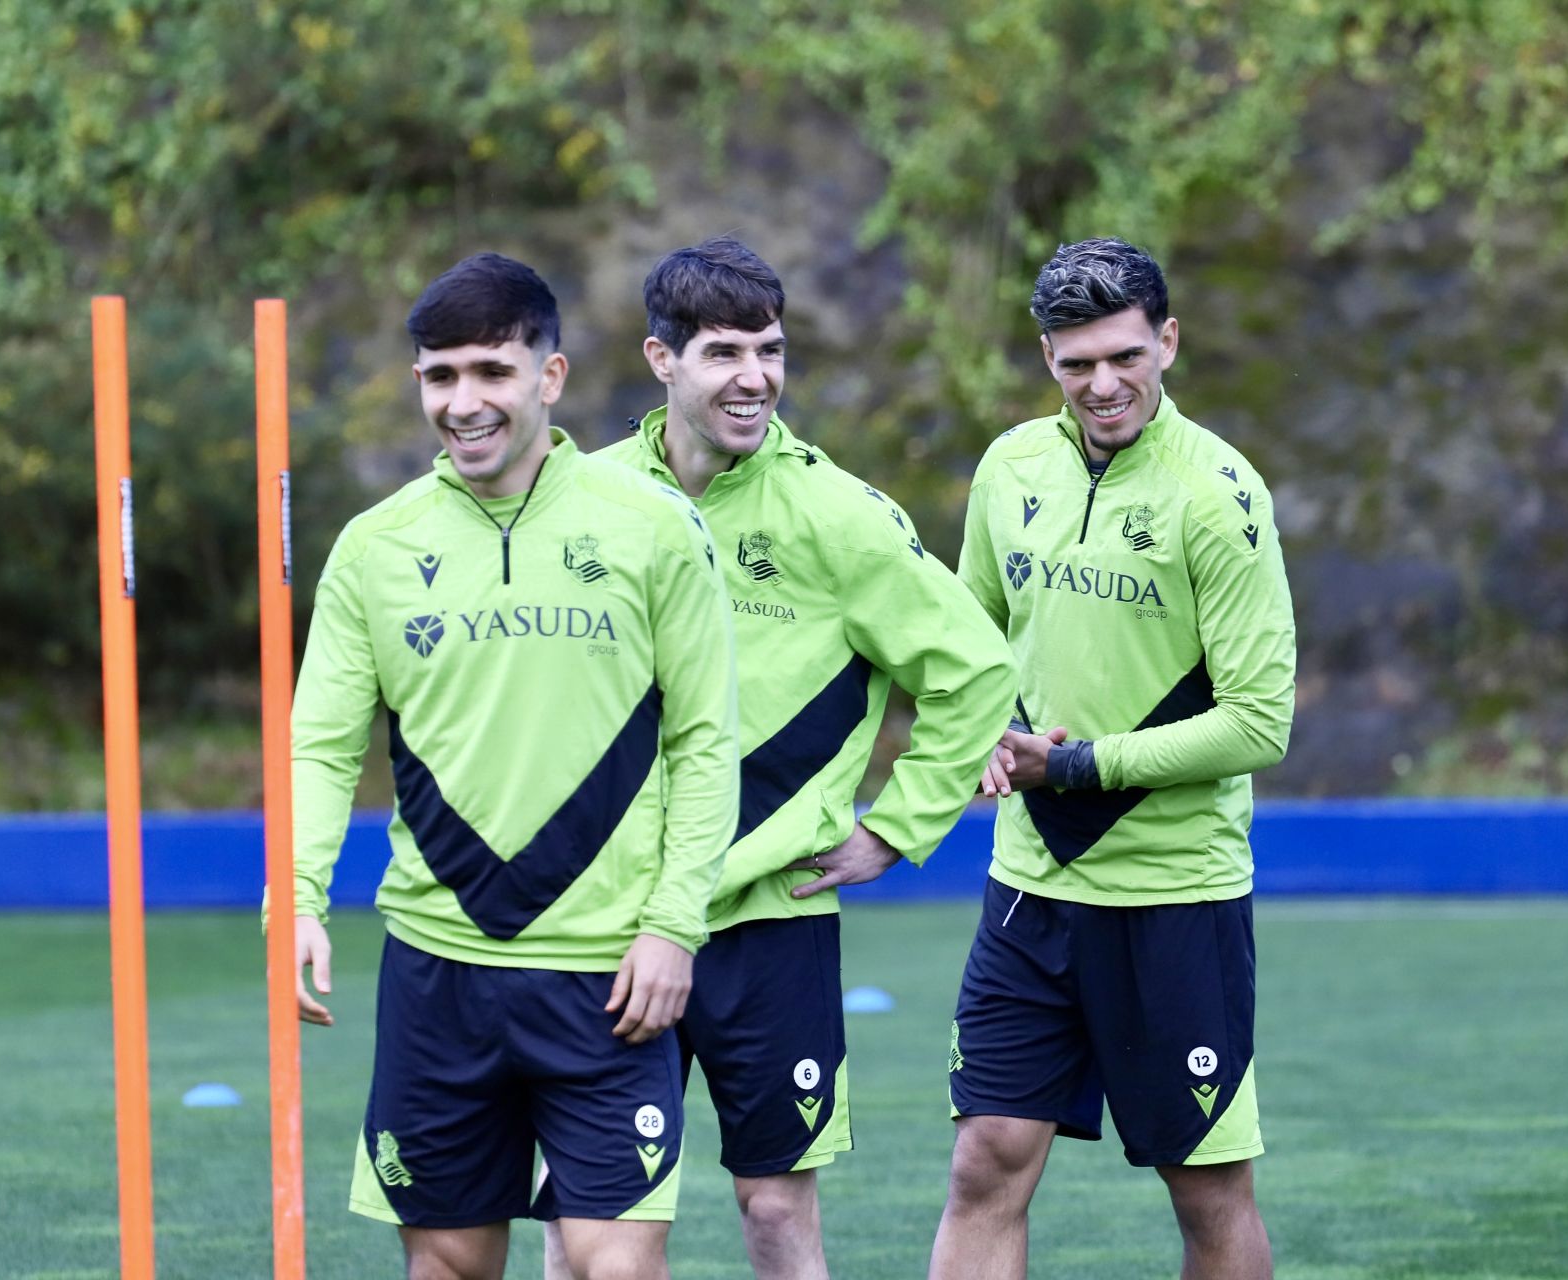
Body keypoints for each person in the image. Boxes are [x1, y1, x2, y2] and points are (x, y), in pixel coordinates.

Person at [545, 236, 1015, 1280]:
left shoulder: (836, 513)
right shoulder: (588, 499)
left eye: (770, 349)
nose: (754, 377)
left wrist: (899, 827)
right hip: (608, 916)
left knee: (772, 1206)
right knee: (591, 1227)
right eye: (723, 352)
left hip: (773, 920)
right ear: (662, 359)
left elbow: (976, 669)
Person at [287, 252, 739, 1280]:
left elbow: (707, 738)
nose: (464, 401)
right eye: (441, 376)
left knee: (613, 1265)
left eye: (492, 371)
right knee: (447, 1263)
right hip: (438, 970)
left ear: (551, 376)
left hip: (610, 972)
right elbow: (322, 741)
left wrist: (675, 922)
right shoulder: (374, 548)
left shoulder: (657, 528)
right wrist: (301, 897)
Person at [930, 237, 1296, 1280]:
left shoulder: (1219, 494)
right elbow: (970, 642)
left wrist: (1077, 765)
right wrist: (989, 732)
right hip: (1029, 888)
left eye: (1126, 355)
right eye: (1077, 360)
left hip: (1175, 898)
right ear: (1045, 354)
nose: (1104, 383)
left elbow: (1260, 722)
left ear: (1168, 341)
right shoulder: (1010, 468)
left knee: (1207, 1187)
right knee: (985, 1160)